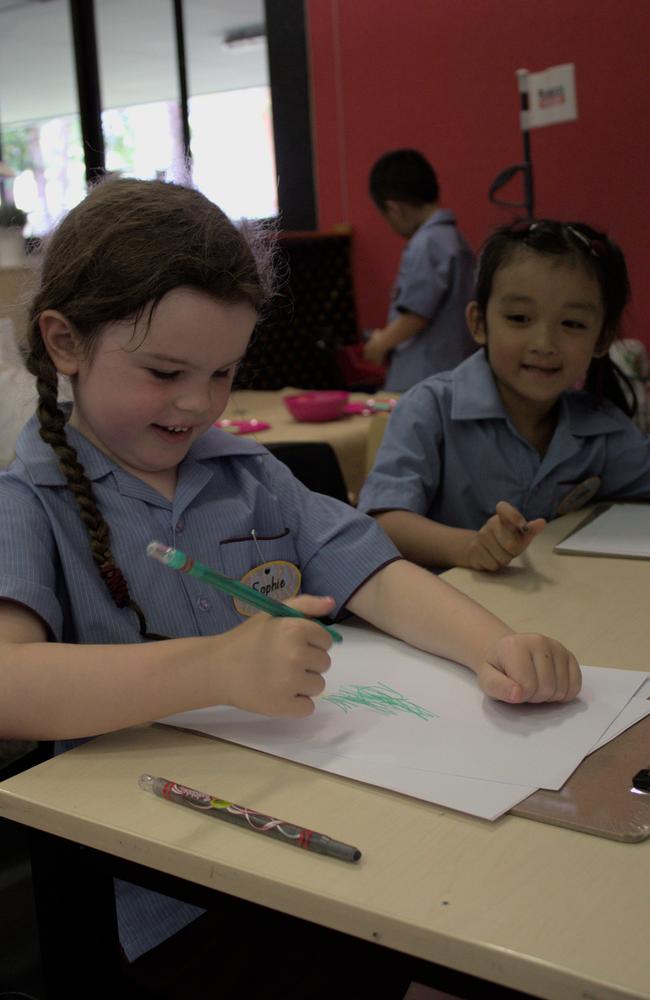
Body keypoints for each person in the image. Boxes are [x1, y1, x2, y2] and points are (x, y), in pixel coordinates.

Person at [0, 183, 581, 997]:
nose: (199, 403)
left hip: (330, 834)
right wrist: (218, 670)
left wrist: (497, 645)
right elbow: (10, 685)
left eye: (223, 372)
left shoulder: (249, 472)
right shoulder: (27, 501)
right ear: (64, 342)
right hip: (178, 892)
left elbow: (375, 576)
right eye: (165, 371)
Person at [358, 219, 650, 572]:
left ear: (602, 339)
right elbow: (384, 521)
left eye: (572, 323)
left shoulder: (600, 428)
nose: (544, 344)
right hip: (444, 609)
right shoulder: (430, 409)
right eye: (519, 318)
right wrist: (468, 547)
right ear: (480, 323)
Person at [363, 148, 476, 391]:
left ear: (394, 209)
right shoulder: (456, 239)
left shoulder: (427, 243)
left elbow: (416, 314)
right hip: (457, 373)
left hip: (424, 381)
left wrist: (381, 343)